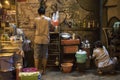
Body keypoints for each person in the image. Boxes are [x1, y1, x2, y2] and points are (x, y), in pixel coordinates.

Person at [33, 7, 51, 75]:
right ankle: (44, 71)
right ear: (44, 12)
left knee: (36, 55)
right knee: (45, 55)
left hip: (37, 39)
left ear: (38, 13)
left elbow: (34, 27)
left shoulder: (36, 19)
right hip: (45, 39)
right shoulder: (48, 19)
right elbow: (51, 27)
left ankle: (36, 71)